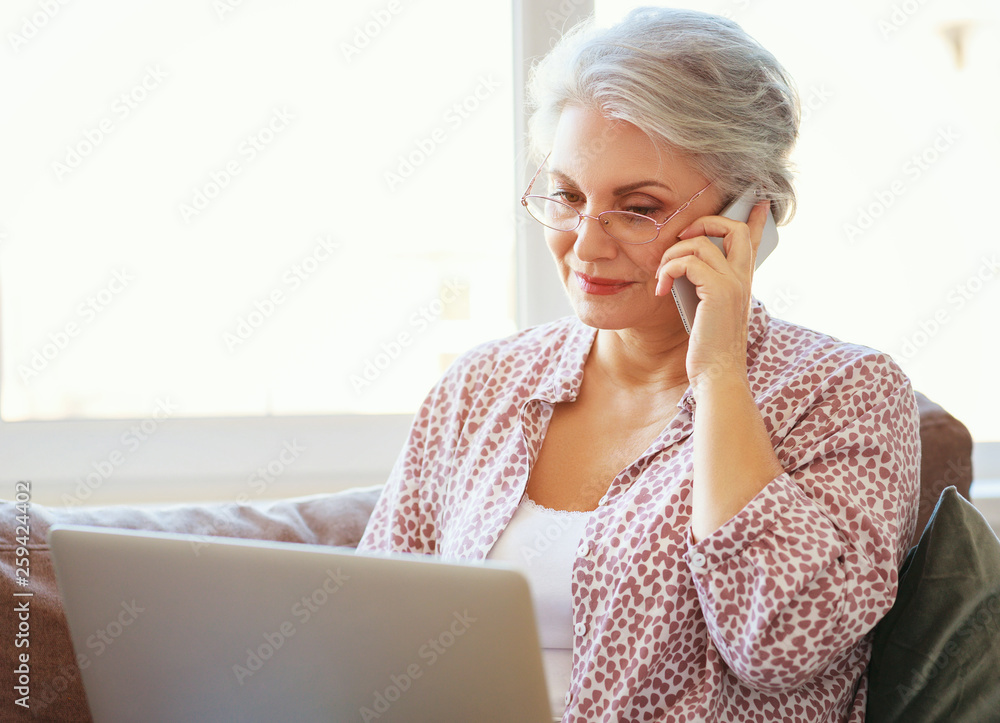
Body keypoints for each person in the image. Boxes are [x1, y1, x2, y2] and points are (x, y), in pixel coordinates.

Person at [357, 7, 920, 722]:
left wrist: (718, 372)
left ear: (751, 214)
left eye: (638, 207)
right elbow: (373, 627)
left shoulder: (848, 393)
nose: (585, 247)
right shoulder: (482, 386)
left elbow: (777, 643)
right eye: (567, 196)